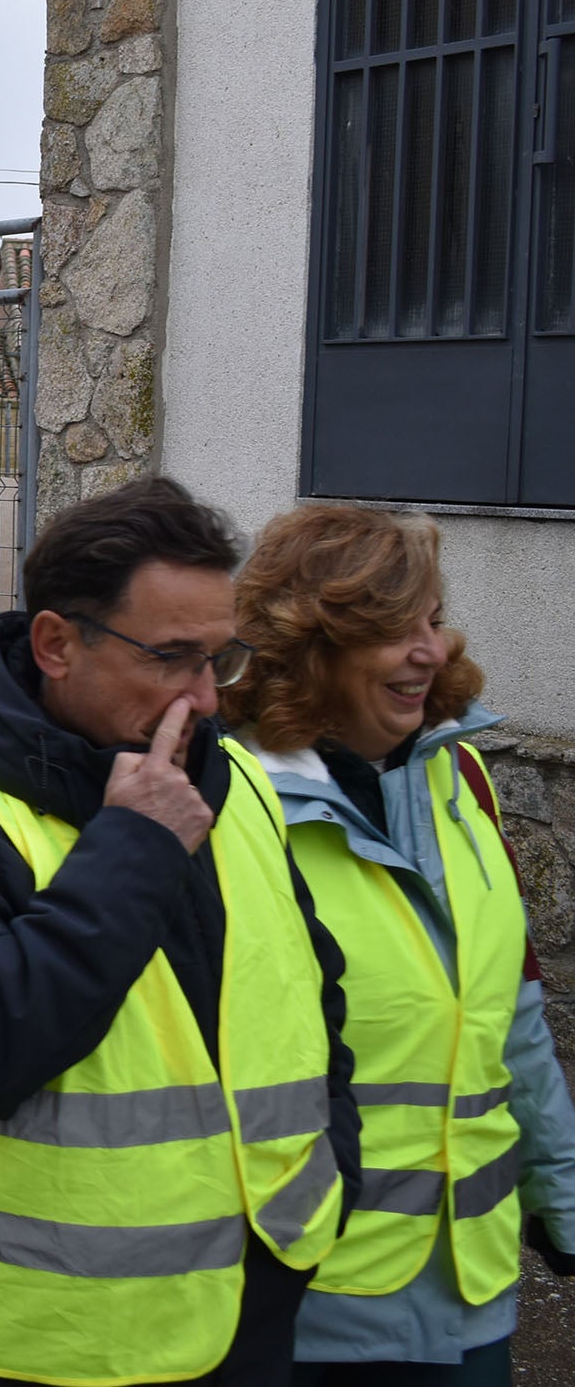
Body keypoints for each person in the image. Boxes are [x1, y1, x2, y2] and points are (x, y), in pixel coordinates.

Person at [0, 476, 358, 1386]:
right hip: (15, 1339)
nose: (205, 698)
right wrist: (131, 845)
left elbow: (311, 996)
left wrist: (329, 1187)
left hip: (244, 1314)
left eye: (219, 658)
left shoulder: (232, 781)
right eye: (170, 658)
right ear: (55, 644)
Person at [220, 507, 575, 1383]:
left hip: (470, 1294)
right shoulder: (228, 806)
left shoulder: (458, 777)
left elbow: (512, 1025)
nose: (433, 649)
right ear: (312, 646)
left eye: (431, 619)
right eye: (394, 629)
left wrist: (563, 1205)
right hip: (309, 1308)